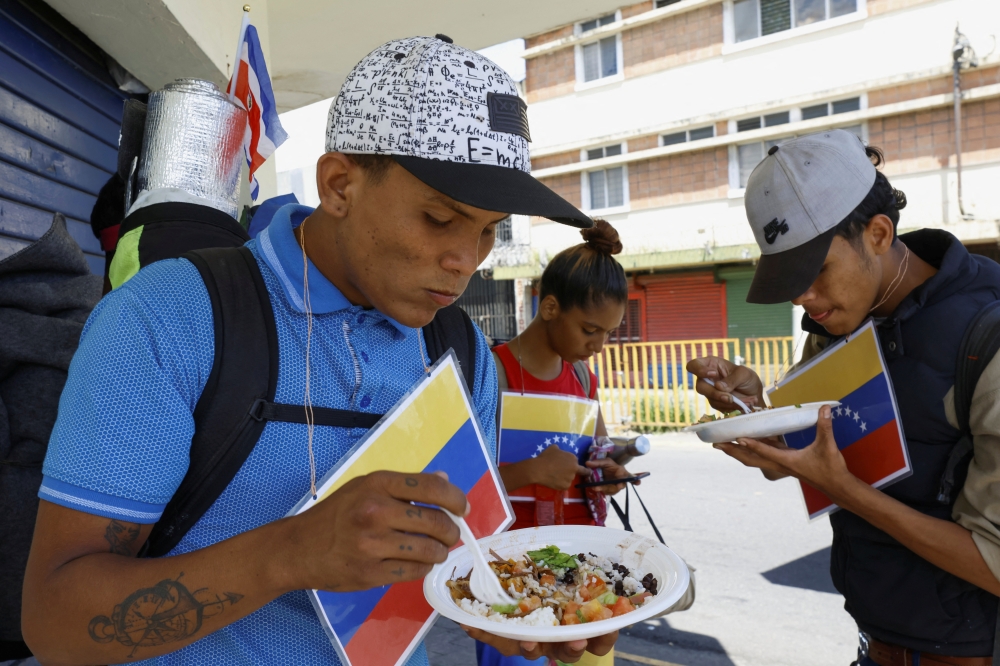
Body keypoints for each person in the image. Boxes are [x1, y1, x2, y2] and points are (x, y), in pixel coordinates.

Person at [21, 36, 618, 666]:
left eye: (487, 230)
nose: (464, 262)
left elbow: (452, 565)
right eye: (439, 220)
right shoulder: (171, 319)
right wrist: (291, 552)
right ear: (339, 185)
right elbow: (55, 620)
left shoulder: (464, 351)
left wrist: (523, 614)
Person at [687, 129, 1000, 663]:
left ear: (878, 233)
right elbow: (813, 455)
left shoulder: (986, 336)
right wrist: (755, 414)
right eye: (789, 278)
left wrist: (846, 490)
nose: (804, 298)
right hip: (873, 645)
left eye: (816, 271)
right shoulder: (835, 323)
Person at [482, 220, 636, 666]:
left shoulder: (583, 377)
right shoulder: (495, 374)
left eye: (609, 332)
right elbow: (461, 484)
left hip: (584, 572)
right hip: (511, 578)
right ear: (550, 307)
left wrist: (611, 471)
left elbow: (599, 451)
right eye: (590, 330)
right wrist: (529, 472)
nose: (600, 345)